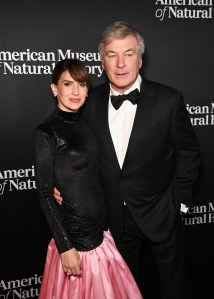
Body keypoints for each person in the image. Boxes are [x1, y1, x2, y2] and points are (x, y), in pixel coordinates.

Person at [54, 22, 201, 299]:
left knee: (175, 287)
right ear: (102, 61)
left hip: (161, 212)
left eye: (129, 53)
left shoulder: (168, 100)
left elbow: (189, 154)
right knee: (122, 291)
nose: (121, 64)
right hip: (113, 220)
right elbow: (75, 153)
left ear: (140, 59)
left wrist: (178, 204)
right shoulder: (90, 102)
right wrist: (59, 182)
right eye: (112, 55)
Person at [33, 58, 143, 299]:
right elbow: (43, 192)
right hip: (75, 241)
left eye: (81, 85)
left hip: (103, 235)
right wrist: (65, 246)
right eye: (68, 84)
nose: (75, 91)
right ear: (54, 88)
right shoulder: (47, 132)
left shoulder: (88, 124)